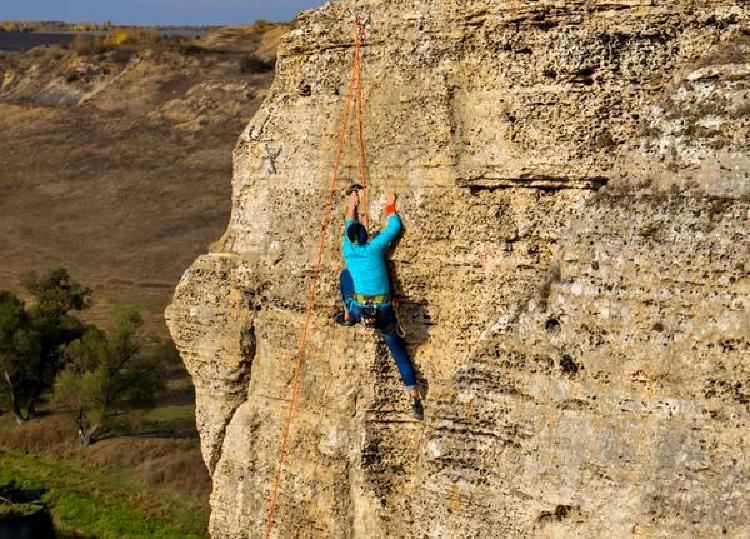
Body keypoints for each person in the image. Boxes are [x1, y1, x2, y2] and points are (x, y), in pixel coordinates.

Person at [334, 189, 424, 420]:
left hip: (361, 310)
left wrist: (352, 203)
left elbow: (348, 224)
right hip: (384, 312)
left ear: (351, 239)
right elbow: (394, 228)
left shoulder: (349, 251)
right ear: (366, 237)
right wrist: (390, 204)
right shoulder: (374, 248)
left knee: (346, 276)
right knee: (397, 350)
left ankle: (347, 315)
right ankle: (413, 395)